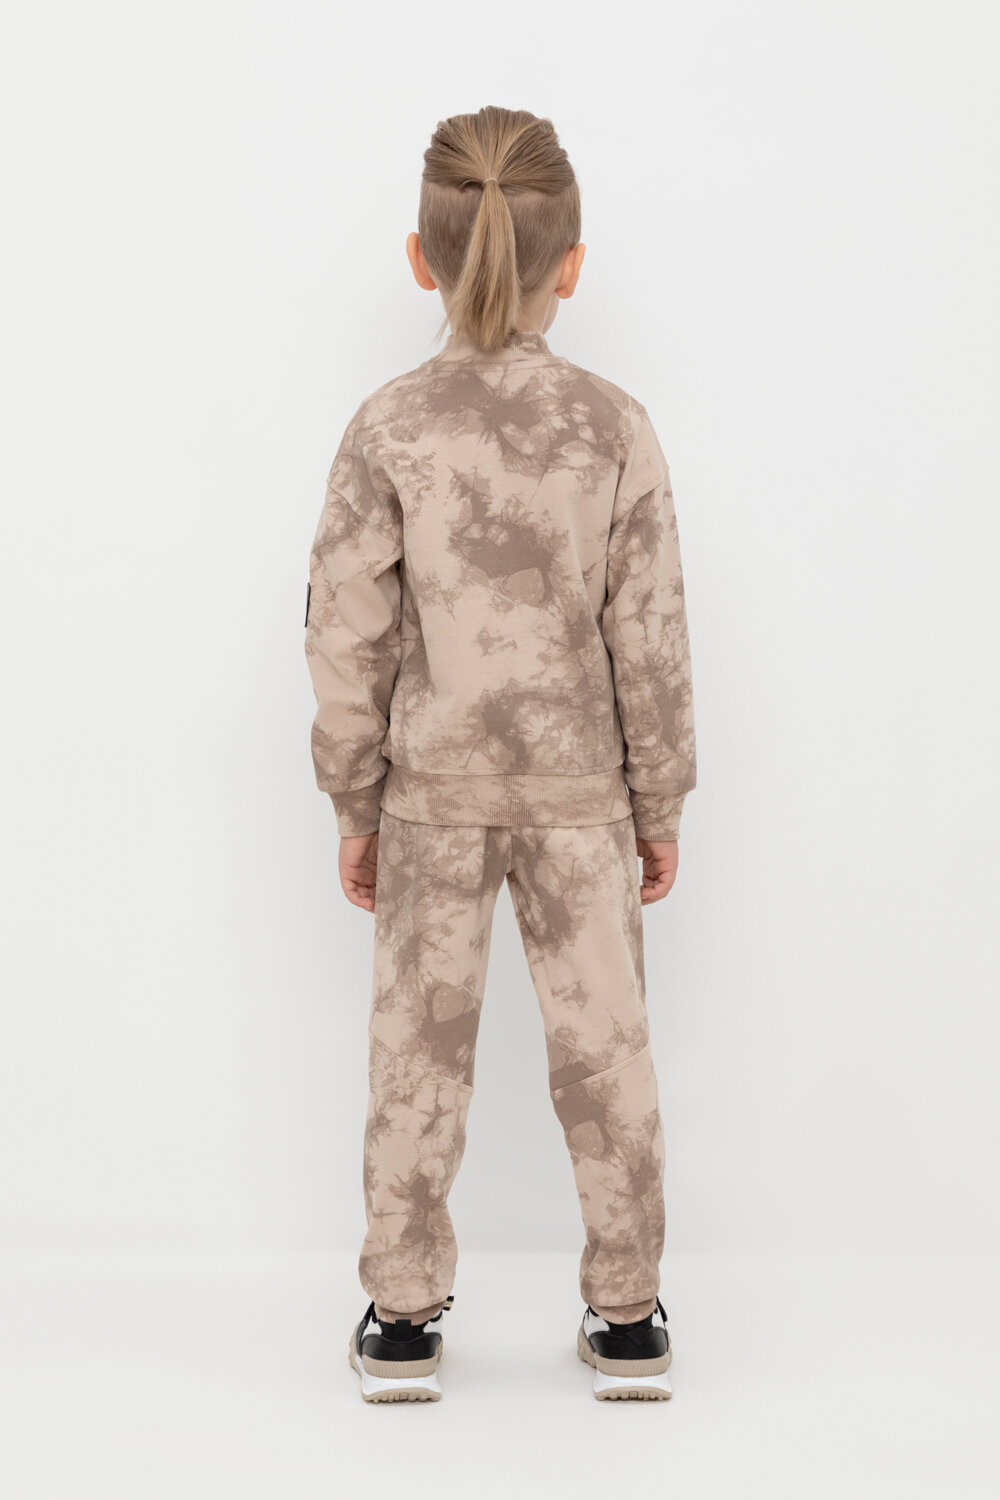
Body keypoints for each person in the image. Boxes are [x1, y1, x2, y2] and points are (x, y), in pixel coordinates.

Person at [304, 105, 696, 1403]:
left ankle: (401, 1320)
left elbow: (345, 631)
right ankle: (628, 1319)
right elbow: (651, 637)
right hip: (584, 798)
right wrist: (659, 800)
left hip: (433, 797)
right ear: (571, 265)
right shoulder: (613, 427)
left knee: (416, 1058)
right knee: (608, 1053)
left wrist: (354, 801)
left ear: (419, 257)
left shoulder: (388, 427)